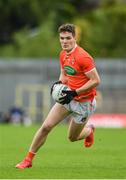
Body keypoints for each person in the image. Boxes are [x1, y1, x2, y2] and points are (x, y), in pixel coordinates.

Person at [16, 23, 100, 169]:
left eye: (68, 38)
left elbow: (96, 80)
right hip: (68, 97)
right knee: (46, 126)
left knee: (72, 138)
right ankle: (28, 160)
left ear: (75, 38)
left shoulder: (83, 57)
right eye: (62, 38)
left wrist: (75, 92)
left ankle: (89, 130)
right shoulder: (62, 54)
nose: (64, 41)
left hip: (84, 103)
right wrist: (59, 85)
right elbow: (64, 73)